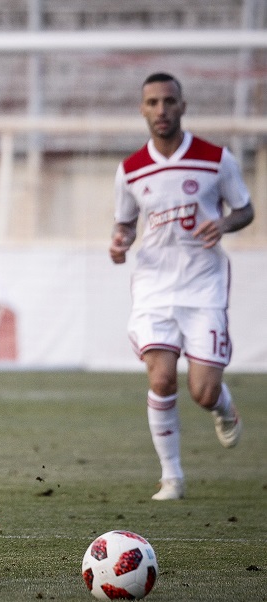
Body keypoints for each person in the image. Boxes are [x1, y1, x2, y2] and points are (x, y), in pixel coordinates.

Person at [110, 72, 254, 501]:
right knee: (162, 378)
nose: (161, 110)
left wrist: (224, 223)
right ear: (142, 109)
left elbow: (245, 209)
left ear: (182, 106)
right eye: (152, 102)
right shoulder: (131, 170)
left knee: (203, 390)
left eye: (169, 101)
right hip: (154, 286)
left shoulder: (215, 159)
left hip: (203, 286)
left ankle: (223, 407)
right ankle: (171, 476)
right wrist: (120, 241)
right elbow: (125, 222)